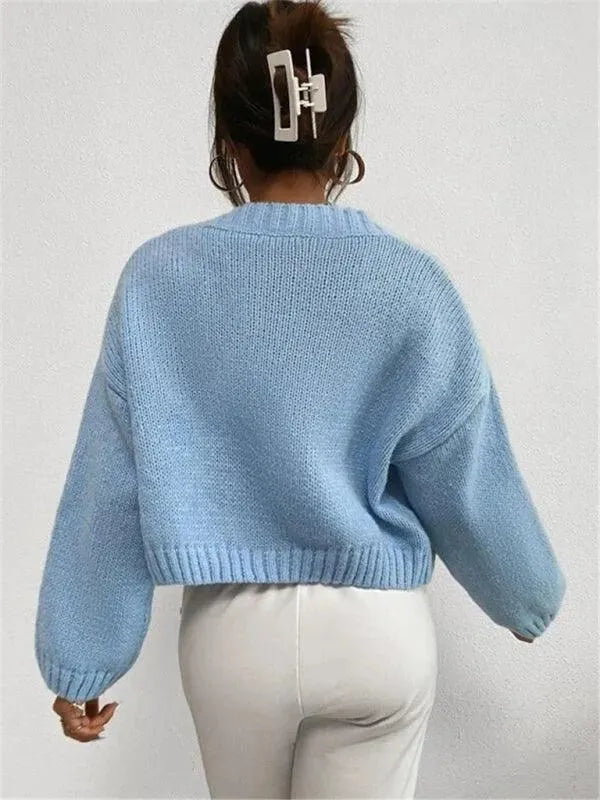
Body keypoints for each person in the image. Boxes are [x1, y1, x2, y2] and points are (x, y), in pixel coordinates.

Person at [34, 0, 567, 796]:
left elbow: (110, 483)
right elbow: (462, 463)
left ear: (229, 138)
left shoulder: (157, 281)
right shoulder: (411, 284)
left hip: (230, 642)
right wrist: (524, 594)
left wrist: (82, 655)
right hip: (376, 635)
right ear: (341, 140)